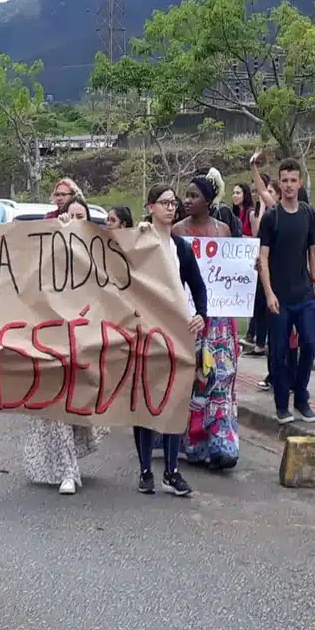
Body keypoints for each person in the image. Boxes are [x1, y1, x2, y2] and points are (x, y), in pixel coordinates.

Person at [22, 196, 105, 495]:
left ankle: (69, 460)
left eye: (81, 216)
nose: (75, 221)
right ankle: (68, 470)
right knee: (56, 402)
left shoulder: (98, 256)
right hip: (52, 340)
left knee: (75, 403)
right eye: (69, 215)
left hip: (83, 341)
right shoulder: (49, 253)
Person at [133, 184, 205, 495]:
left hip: (177, 333)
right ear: (150, 206)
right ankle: (146, 469)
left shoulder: (181, 248)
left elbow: (199, 286)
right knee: (145, 402)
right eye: (164, 202)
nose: (170, 208)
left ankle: (172, 471)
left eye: (173, 203)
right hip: (147, 334)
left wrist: (201, 313)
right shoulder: (138, 244)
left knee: (175, 400)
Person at [173, 176, 241, 470]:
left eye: (193, 196)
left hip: (219, 320)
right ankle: (195, 442)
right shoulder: (177, 232)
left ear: (209, 201)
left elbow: (235, 268)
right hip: (189, 319)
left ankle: (222, 442)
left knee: (220, 376)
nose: (187, 201)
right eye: (185, 195)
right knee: (195, 378)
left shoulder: (223, 231)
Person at [258, 158, 315, 425]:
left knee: (309, 344)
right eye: (284, 180)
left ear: (300, 182)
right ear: (279, 182)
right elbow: (263, 258)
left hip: (305, 294)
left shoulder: (309, 214)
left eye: (293, 180)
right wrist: (269, 292)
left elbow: (314, 251)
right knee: (280, 351)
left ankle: (302, 396)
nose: (288, 185)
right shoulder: (272, 217)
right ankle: (282, 404)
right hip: (279, 297)